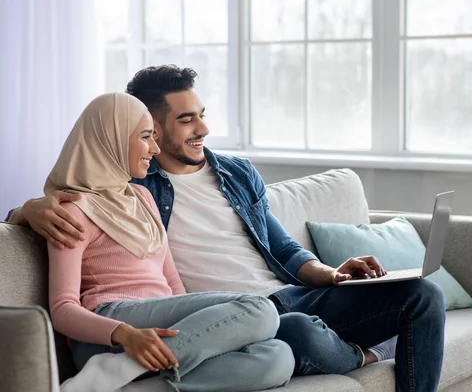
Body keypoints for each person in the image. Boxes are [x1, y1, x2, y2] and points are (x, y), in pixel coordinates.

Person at [8, 66, 446, 392]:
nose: (203, 129)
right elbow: (83, 185)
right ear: (150, 130)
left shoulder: (232, 174)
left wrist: (330, 273)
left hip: (280, 297)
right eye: (185, 120)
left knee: (422, 296)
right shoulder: (129, 185)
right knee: (291, 333)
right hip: (240, 312)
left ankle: (137, 378)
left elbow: (282, 246)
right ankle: (365, 352)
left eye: (201, 115)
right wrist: (26, 210)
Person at [42, 92, 294, 392]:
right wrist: (124, 334)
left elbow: (173, 285)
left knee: (278, 358)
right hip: (109, 330)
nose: (155, 147)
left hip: (160, 322)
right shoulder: (73, 209)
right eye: (146, 137)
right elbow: (62, 308)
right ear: (111, 139)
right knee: (260, 309)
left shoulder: (144, 198)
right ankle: (116, 367)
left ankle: (124, 381)